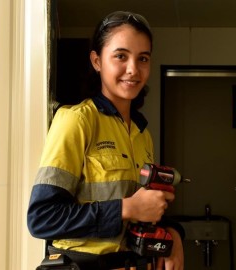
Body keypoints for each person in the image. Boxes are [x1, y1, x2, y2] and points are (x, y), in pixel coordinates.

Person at [27, 11, 184, 270]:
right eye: (121, 56)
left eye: (142, 58)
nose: (133, 69)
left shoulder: (142, 133)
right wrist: (125, 208)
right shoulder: (76, 120)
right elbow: (42, 218)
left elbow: (143, 212)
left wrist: (173, 235)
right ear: (97, 61)